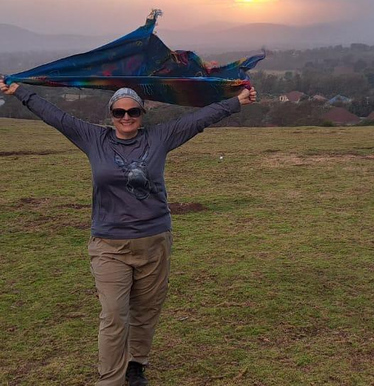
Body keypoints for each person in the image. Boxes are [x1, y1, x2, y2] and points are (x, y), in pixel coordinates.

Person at [0, 78, 256, 386]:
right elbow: (56, 116)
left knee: (146, 311)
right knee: (113, 315)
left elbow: (198, 119)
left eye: (133, 112)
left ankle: (137, 363)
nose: (126, 118)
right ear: (110, 114)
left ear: (142, 113)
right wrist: (19, 91)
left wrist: (237, 101)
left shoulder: (160, 137)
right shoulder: (93, 138)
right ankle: (110, 380)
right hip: (109, 244)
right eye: (119, 112)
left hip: (154, 241)